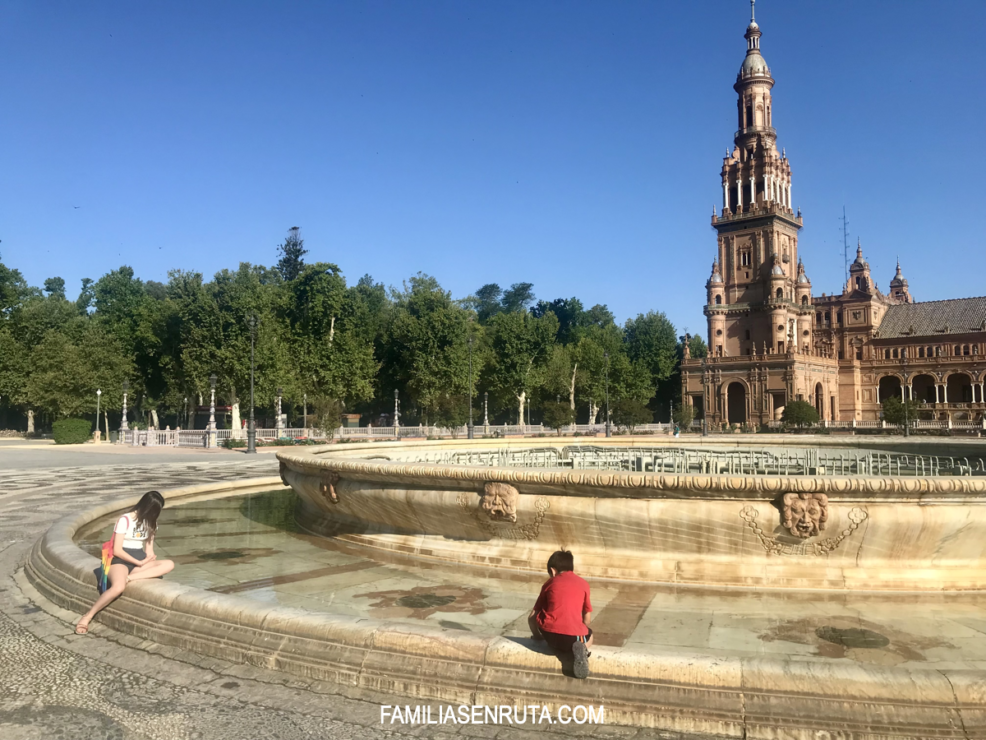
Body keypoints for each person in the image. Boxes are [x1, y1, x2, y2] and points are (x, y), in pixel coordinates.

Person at [75, 491, 175, 635]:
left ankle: (130, 578)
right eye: (153, 511)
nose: (154, 515)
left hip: (139, 561)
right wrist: (138, 563)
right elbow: (117, 550)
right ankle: (88, 616)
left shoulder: (152, 523)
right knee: (118, 587)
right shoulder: (125, 519)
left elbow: (149, 550)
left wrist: (149, 558)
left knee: (169, 564)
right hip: (119, 560)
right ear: (146, 507)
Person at [528, 550, 593, 679]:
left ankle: (573, 646)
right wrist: (581, 628)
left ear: (553, 571)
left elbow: (532, 616)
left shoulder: (549, 584)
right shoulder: (584, 584)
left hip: (550, 636)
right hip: (573, 638)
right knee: (590, 634)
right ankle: (582, 647)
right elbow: (587, 620)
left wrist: (537, 635)